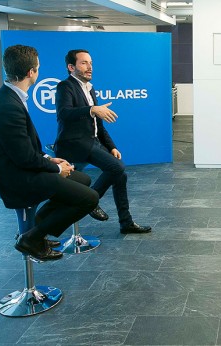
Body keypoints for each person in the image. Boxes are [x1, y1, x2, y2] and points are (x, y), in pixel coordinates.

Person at [0, 45, 99, 261]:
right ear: (31, 72)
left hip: (20, 167)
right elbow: (23, 157)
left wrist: (49, 158)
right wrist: (55, 168)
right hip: (12, 177)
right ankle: (31, 239)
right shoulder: (7, 105)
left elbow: (23, 148)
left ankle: (36, 230)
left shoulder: (11, 97)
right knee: (89, 199)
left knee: (83, 179)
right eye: (38, 68)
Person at [54, 49, 151, 234]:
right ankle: (91, 201)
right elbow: (64, 114)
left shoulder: (90, 88)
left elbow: (98, 125)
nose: (89, 67)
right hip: (74, 144)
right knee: (117, 168)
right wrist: (92, 109)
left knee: (120, 174)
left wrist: (111, 146)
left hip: (92, 142)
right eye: (83, 63)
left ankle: (126, 222)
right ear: (71, 67)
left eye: (90, 63)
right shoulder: (65, 86)